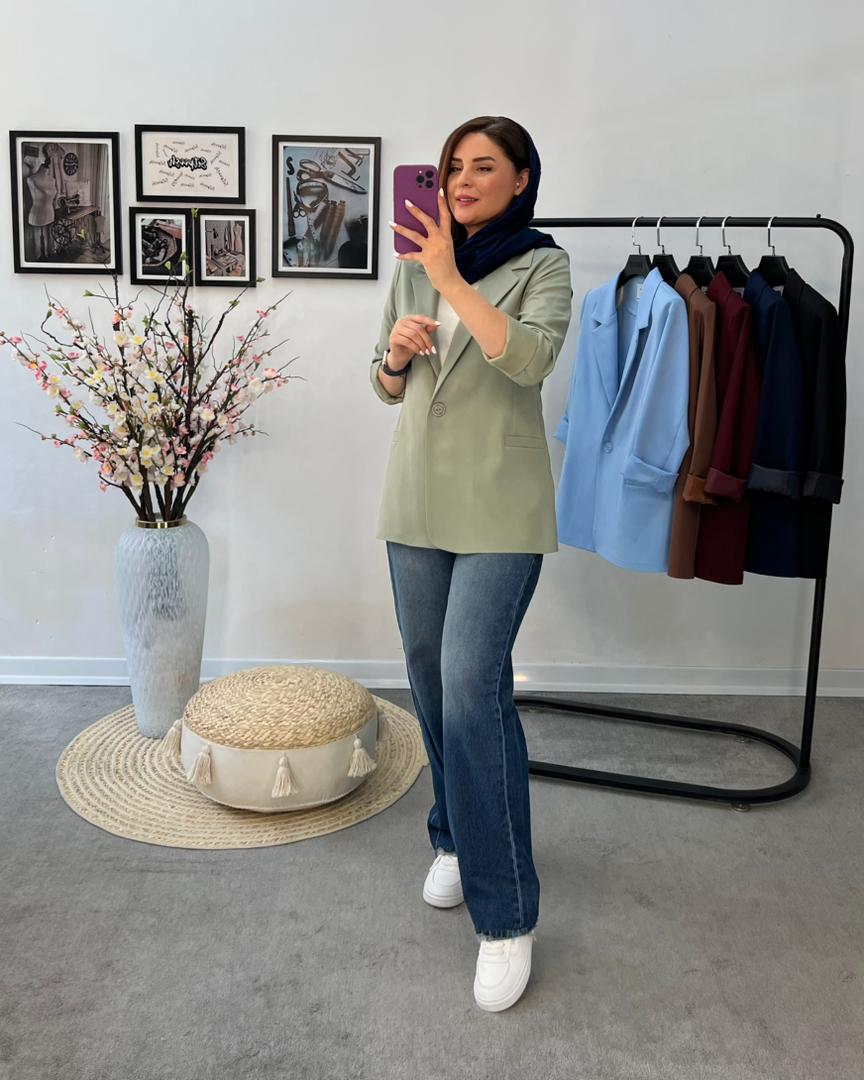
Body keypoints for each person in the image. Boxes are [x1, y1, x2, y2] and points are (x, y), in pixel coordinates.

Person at [370, 116, 573, 1011]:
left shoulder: (543, 265)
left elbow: (527, 361)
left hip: (500, 507)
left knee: (470, 684)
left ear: (521, 179)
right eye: (453, 165)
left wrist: (454, 279)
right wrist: (394, 355)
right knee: (428, 679)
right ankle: (454, 834)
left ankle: (507, 915)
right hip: (416, 500)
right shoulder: (413, 262)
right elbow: (383, 387)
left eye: (483, 166)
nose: (460, 180)